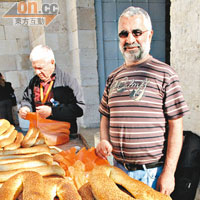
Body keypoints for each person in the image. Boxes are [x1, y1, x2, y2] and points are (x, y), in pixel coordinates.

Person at [96, 6, 189, 196]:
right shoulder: (113, 77)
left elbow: (176, 126)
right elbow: (105, 115)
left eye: (137, 32)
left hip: (152, 175)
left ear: (150, 34)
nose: (130, 39)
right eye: (124, 34)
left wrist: (169, 172)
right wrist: (104, 140)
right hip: (118, 171)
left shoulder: (165, 74)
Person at [19, 45, 85, 139]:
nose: (37, 72)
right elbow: (27, 99)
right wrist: (25, 107)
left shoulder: (68, 81)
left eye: (40, 68)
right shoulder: (34, 81)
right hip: (39, 133)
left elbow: (79, 109)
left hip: (64, 134)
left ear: (52, 62)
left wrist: (52, 111)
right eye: (34, 68)